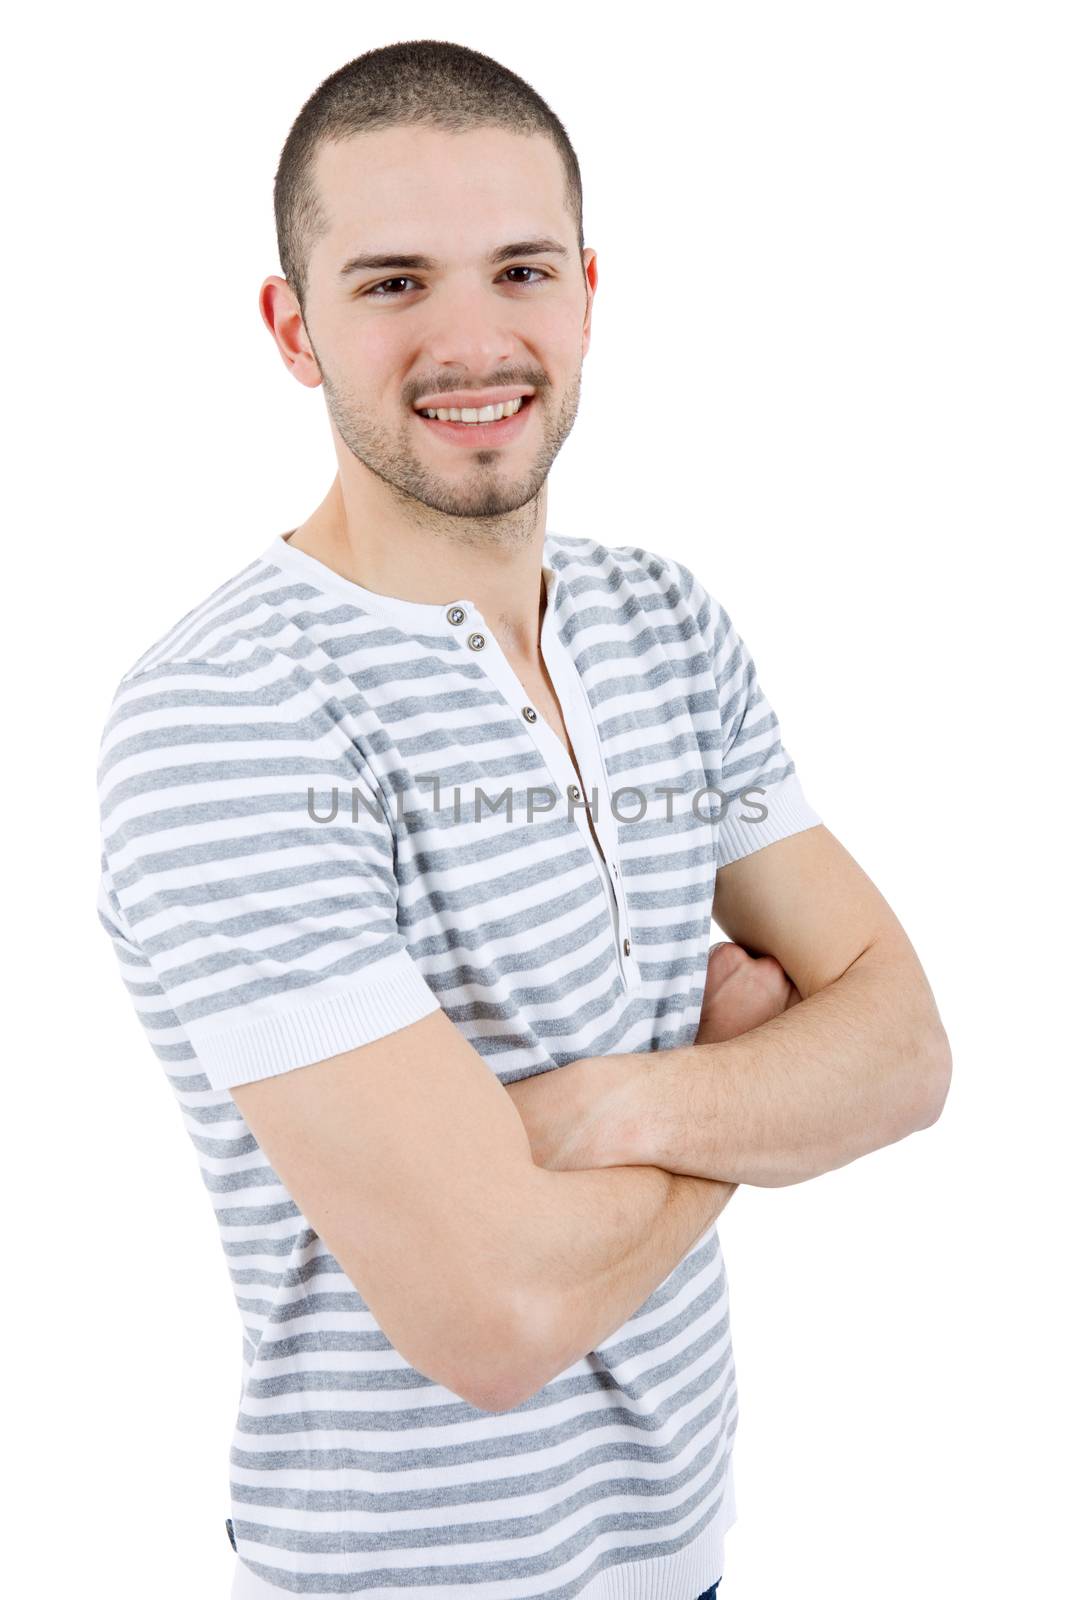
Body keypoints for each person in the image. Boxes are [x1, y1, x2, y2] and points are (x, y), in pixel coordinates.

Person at [94, 39, 951, 1600]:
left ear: (587, 290)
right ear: (293, 328)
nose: (474, 338)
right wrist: (729, 1076)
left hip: (680, 1552)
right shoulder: (229, 714)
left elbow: (905, 1055)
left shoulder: (664, 623)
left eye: (520, 269)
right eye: (393, 283)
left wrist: (594, 1114)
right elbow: (488, 1319)